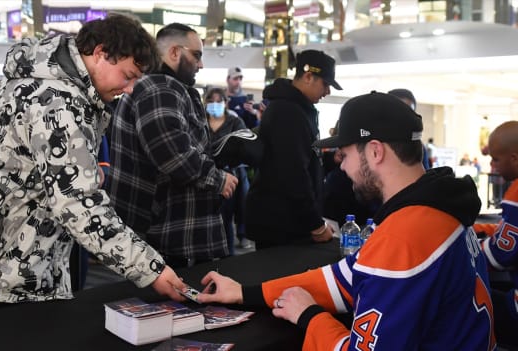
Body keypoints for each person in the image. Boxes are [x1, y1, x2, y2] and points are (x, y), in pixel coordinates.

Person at [0, 14, 186, 315]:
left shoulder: (39, 71)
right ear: (100, 53)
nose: (131, 88)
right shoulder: (60, 101)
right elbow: (79, 205)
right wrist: (151, 269)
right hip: (3, 261)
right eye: (128, 75)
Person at [198, 92, 496, 350]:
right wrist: (243, 293)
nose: (341, 165)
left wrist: (310, 316)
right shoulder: (440, 208)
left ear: (375, 151)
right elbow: (343, 277)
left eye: (345, 153)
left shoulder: (403, 237)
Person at [106, 23, 238, 268]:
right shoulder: (161, 88)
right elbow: (173, 155)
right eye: (196, 55)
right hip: (165, 237)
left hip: (163, 234)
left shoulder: (162, 87)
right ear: (175, 52)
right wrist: (218, 178)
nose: (200, 64)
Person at [245, 50, 340, 249]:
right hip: (282, 224)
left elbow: (305, 158)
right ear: (308, 77)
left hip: (292, 220)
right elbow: (292, 172)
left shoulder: (301, 110)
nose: (327, 92)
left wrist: (332, 160)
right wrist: (316, 225)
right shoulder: (286, 112)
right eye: (325, 84)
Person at [473, 121, 518, 348]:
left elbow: (501, 255)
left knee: (472, 303)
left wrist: (470, 249)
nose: (492, 165)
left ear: (514, 157)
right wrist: (478, 229)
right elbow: (509, 230)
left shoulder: (516, 192)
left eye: (496, 159)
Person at [204, 87, 251, 253]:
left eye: (219, 101)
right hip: (205, 175)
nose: (215, 104)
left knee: (226, 220)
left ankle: (228, 256)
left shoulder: (234, 121)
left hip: (229, 176)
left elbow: (246, 146)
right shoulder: (199, 120)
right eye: (211, 101)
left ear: (226, 102)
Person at [387, 88, 431, 170]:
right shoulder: (371, 146)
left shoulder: (418, 147)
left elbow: (425, 178)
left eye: (410, 112)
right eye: (399, 111)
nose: (404, 118)